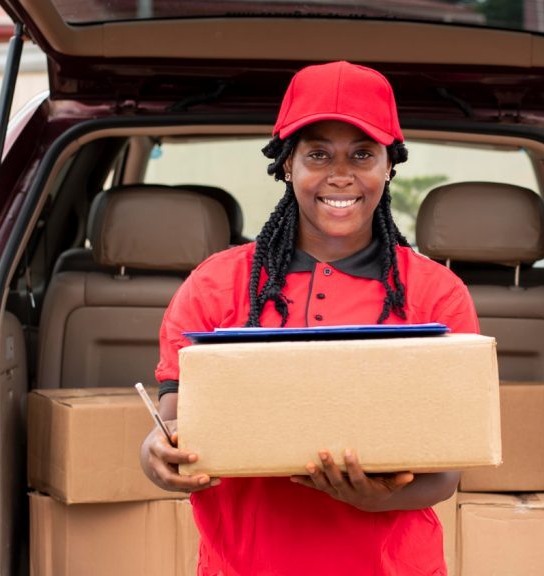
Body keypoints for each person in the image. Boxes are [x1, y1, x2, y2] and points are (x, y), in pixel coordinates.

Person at [140, 61, 479, 575]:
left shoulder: (437, 294)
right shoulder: (215, 284)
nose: (340, 174)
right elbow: (174, 425)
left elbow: (446, 472)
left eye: (362, 154)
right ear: (286, 165)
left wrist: (375, 500)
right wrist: (156, 457)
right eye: (317, 154)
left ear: (389, 165)